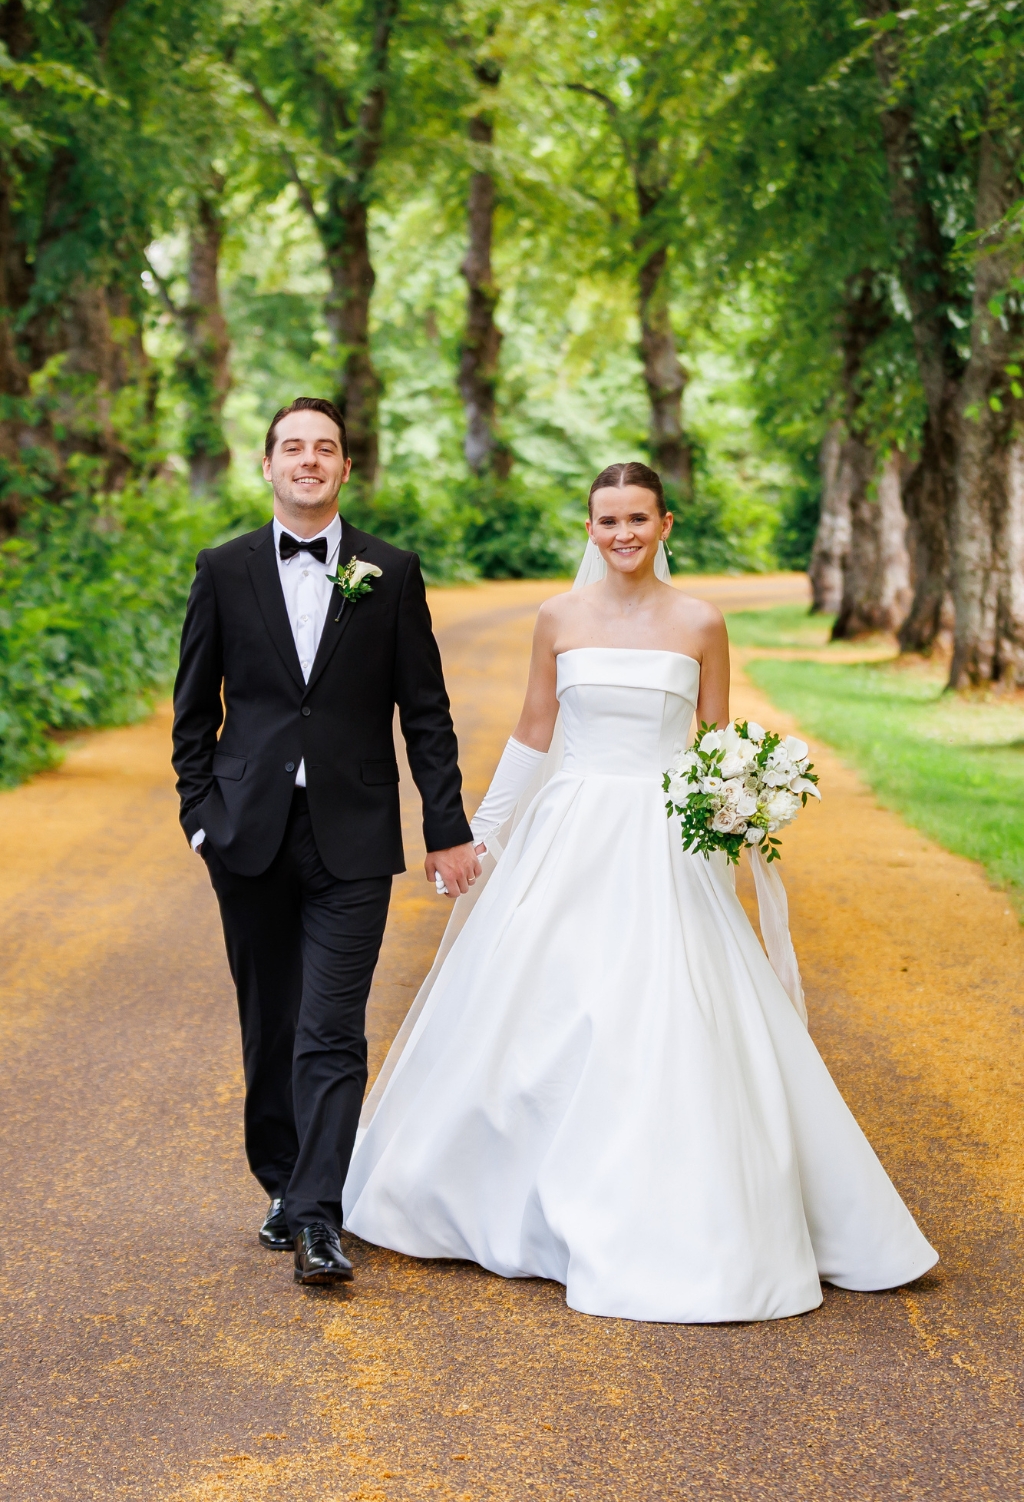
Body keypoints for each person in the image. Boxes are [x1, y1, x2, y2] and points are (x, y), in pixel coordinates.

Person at [342, 461, 938, 1323]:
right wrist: (486, 834)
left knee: (671, 1013)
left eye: (637, 518)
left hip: (664, 840)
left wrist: (739, 802)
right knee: (545, 1009)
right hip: (572, 831)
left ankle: (685, 1212)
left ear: (666, 525)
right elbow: (534, 731)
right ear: (589, 528)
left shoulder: (699, 622)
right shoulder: (559, 617)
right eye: (605, 520)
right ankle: (514, 1205)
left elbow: (715, 738)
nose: (620, 533)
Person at [171, 397, 480, 1286]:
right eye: (293, 447)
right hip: (248, 835)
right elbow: (194, 715)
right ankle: (280, 1181)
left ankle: (318, 1216)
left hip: (353, 837)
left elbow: (425, 713)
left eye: (327, 448)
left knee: (331, 1028)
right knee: (270, 1022)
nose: (309, 460)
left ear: (348, 469)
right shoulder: (223, 569)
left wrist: (446, 825)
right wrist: (202, 820)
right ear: (267, 466)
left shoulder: (392, 571)